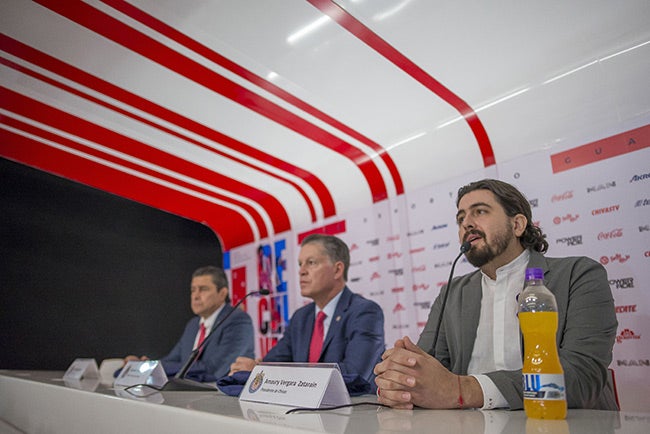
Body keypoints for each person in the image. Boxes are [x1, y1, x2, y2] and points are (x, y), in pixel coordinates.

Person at [374, 179, 618, 410]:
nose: (466, 223)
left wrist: (463, 390)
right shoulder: (453, 292)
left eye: (479, 212)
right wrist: (402, 382)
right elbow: (428, 370)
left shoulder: (578, 274)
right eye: (461, 218)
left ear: (518, 224)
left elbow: (582, 377)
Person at [229, 234, 385, 387]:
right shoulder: (301, 317)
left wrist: (267, 372)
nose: (301, 271)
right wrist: (256, 368)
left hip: (352, 409)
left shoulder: (365, 312)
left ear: (337, 270)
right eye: (300, 264)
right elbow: (274, 361)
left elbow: (353, 375)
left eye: (311, 263)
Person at [123, 266, 254, 380]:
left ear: (222, 293)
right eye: (193, 290)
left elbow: (215, 369)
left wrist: (157, 368)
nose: (196, 296)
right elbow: (173, 360)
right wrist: (145, 365)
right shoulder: (193, 324)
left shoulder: (238, 320)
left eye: (203, 289)